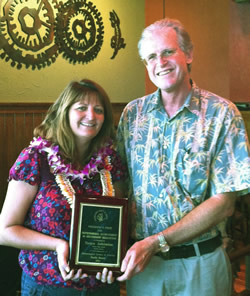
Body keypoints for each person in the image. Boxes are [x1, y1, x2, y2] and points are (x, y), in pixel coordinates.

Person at [116, 17, 250, 296]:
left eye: (168, 52)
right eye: (151, 57)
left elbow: (225, 203)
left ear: (188, 54)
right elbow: (119, 186)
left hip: (201, 266)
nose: (160, 62)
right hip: (146, 268)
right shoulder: (132, 115)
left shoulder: (222, 114)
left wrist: (156, 241)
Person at [0, 79, 127, 296]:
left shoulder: (111, 162)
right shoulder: (35, 159)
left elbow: (119, 223)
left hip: (102, 287)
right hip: (46, 286)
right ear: (64, 112)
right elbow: (5, 231)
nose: (91, 115)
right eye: (81, 108)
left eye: (98, 110)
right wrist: (58, 245)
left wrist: (113, 261)